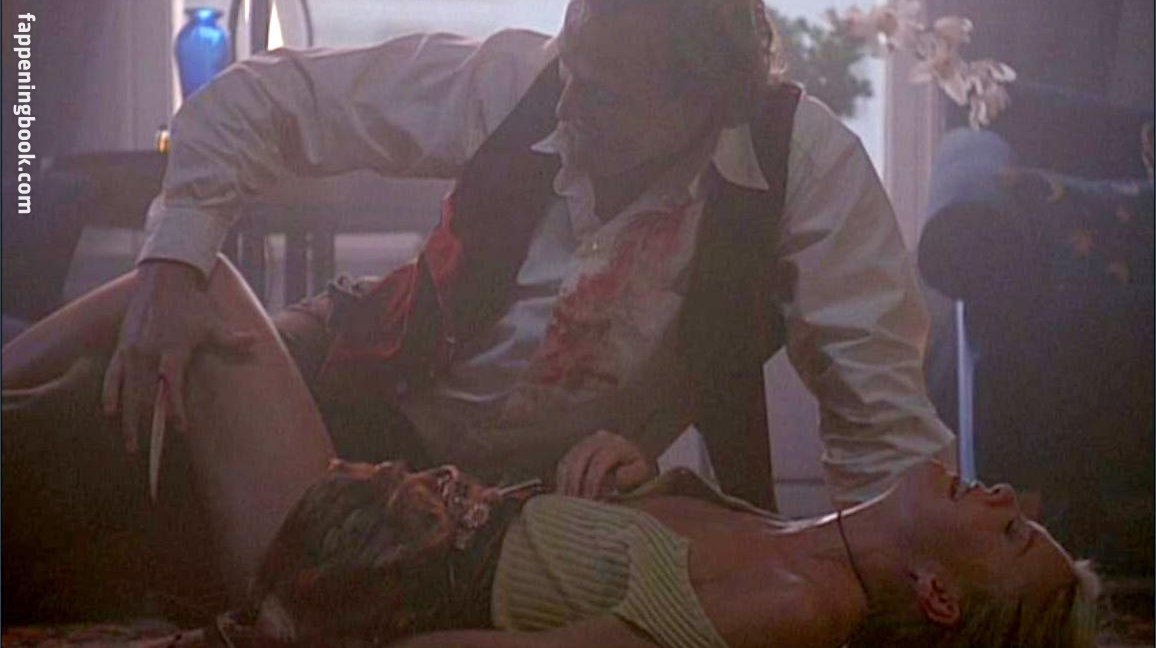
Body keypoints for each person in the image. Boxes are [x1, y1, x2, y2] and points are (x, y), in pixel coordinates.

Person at [2, 0, 950, 621]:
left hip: (455, 509)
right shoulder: (520, 83)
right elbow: (261, 99)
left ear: (702, 102)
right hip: (337, 376)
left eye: (602, 94)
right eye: (573, 62)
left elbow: (884, 434)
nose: (568, 103)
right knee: (80, 437)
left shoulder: (806, 173)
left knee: (109, 549)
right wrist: (173, 264)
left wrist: (894, 580)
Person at [198, 436, 1099, 648]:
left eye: (1013, 532)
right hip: (380, 513)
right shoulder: (789, 535)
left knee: (205, 306)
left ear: (938, 595)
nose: (1005, 496)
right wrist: (631, 470)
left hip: (368, 577)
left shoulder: (801, 604)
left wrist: (324, 635)